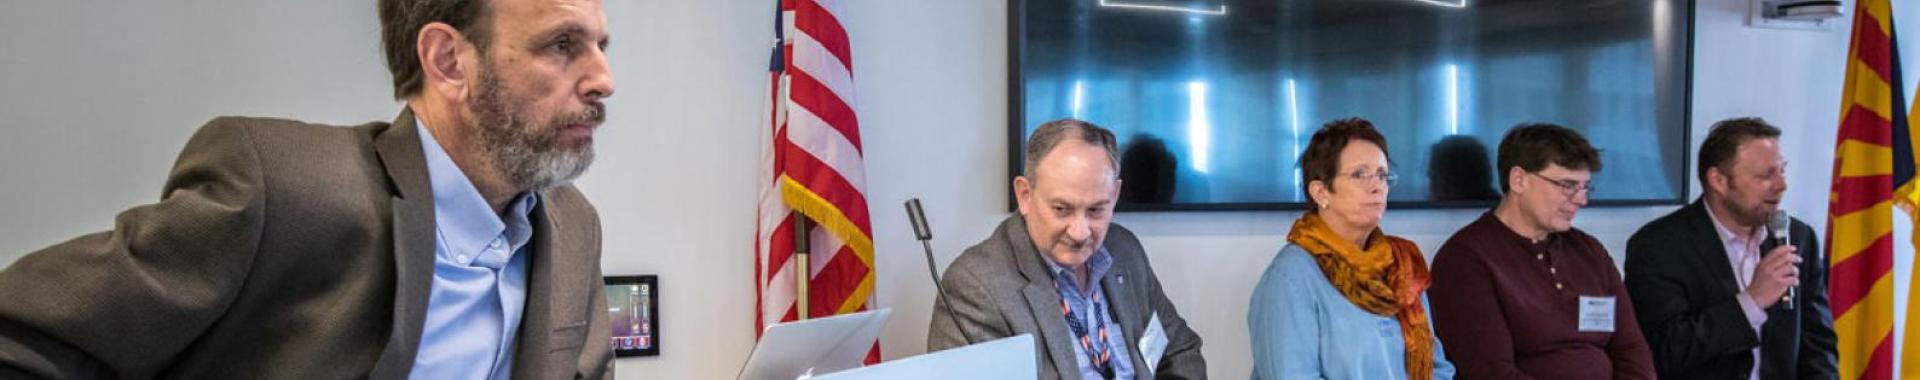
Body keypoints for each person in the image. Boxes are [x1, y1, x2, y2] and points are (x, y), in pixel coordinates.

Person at [0, 0, 618, 378]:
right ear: (449, 61)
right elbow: (21, 337)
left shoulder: (572, 226)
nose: (603, 79)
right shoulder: (284, 188)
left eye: (600, 45)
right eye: (562, 45)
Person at [928, 119, 1207, 379]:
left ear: (1115, 195)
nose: (1080, 232)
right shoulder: (976, 285)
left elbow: (1180, 351)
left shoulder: (1125, 250)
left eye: (1096, 210)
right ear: (1024, 195)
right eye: (1062, 209)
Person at [1427, 123, 1655, 379]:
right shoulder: (1464, 259)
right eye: (1567, 185)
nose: (1582, 199)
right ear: (1519, 180)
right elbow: (1491, 373)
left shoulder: (1589, 251)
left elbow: (1632, 351)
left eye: (1585, 187)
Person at [1624, 117, 1837, 379]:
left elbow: (1818, 344)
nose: (1782, 185)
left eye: (1782, 170)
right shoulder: (1657, 246)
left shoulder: (1798, 237)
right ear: (1719, 181)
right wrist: (1751, 301)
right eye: (1766, 175)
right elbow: (1665, 351)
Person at [1248, 118, 1454, 380]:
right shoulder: (1290, 277)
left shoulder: (1402, 265)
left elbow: (1438, 369)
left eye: (1382, 175)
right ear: (1321, 192)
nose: (1377, 186)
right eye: (1359, 174)